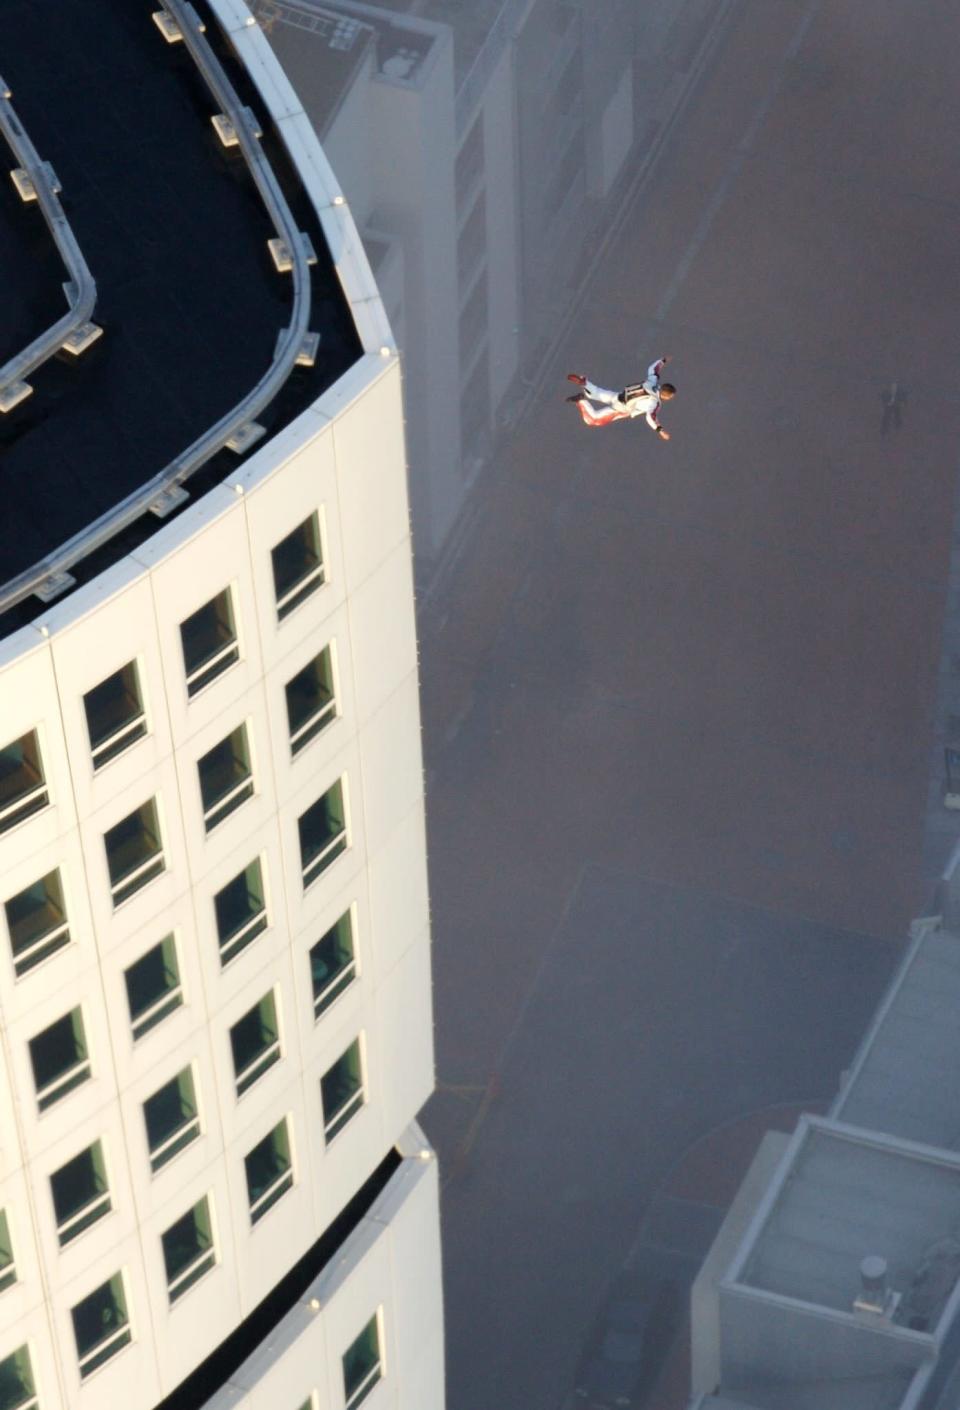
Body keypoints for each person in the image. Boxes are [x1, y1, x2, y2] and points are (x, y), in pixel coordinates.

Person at [566, 356, 676, 439]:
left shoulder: (652, 382)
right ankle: (580, 400)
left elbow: (653, 369)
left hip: (619, 396)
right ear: (666, 396)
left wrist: (663, 360)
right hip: (622, 409)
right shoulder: (655, 402)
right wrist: (660, 430)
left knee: (595, 393)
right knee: (594, 420)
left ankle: (585, 383)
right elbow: (650, 417)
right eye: (670, 397)